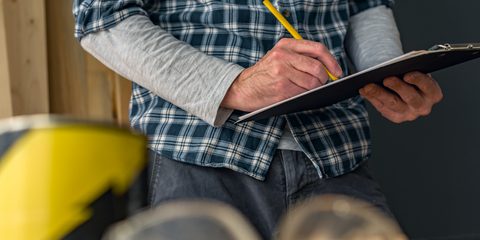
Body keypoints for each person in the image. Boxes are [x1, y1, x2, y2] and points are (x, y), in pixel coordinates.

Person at [73, 0, 443, 239]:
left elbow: (367, 6)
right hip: (198, 158)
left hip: (335, 154)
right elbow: (101, 18)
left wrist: (387, 75)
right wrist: (233, 85)